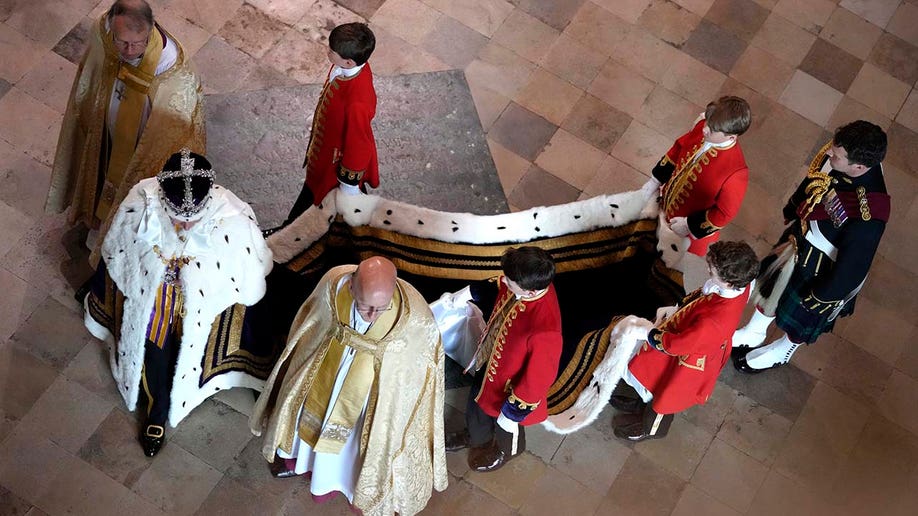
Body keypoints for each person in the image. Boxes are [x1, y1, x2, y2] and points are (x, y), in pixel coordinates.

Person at [83, 149, 272, 457]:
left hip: (201, 313)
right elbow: (117, 254)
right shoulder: (139, 203)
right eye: (176, 219)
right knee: (156, 353)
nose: (184, 227)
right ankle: (157, 412)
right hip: (155, 305)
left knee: (189, 355)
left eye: (192, 220)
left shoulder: (234, 218)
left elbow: (249, 275)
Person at [249, 257, 447, 516]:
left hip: (371, 395)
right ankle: (303, 463)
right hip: (327, 373)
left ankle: (353, 487)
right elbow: (310, 322)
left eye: (381, 308)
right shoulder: (333, 284)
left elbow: (422, 362)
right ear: (352, 287)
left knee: (356, 447)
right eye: (366, 307)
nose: (373, 315)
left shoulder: (416, 315)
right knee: (308, 418)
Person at [46, 0, 205, 266]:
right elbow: (91, 76)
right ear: (112, 31)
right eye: (123, 43)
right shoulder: (102, 34)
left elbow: (177, 122)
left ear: (151, 31)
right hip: (105, 130)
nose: (130, 51)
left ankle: (114, 244)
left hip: (139, 142)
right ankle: (92, 221)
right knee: (97, 170)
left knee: (126, 187)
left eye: (138, 43)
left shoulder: (171, 67)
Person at [732, 121, 890, 373]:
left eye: (836, 156)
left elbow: (852, 270)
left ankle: (781, 351)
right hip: (799, 238)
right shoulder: (842, 155)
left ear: (859, 166)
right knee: (770, 287)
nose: (829, 153)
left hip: (819, 270)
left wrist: (821, 299)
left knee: (800, 321)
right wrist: (793, 207)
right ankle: (754, 332)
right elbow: (816, 178)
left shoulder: (868, 217)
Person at [611, 241, 759, 441]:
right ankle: (638, 400)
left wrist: (648, 333)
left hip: (687, 359)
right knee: (652, 376)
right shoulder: (744, 282)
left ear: (729, 283)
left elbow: (674, 346)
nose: (707, 269)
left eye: (713, 270)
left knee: (667, 396)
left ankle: (650, 429)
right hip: (694, 337)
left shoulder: (713, 321)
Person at [446, 246, 563, 472]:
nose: (504, 282)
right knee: (478, 402)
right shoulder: (527, 284)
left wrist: (513, 412)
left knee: (506, 425)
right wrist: (469, 292)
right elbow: (499, 283)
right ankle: (476, 436)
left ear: (529, 292)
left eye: (510, 282)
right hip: (493, 363)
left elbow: (539, 378)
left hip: (511, 388)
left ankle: (508, 450)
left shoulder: (546, 331)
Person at [283, 22, 379, 223]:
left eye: (332, 51)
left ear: (349, 62)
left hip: (333, 166)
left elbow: (359, 144)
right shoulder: (346, 68)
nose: (328, 52)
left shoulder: (357, 103)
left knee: (316, 205)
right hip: (324, 157)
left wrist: (348, 185)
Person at [641, 96, 751, 257]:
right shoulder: (702, 127)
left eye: (712, 129)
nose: (705, 129)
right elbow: (678, 149)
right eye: (708, 122)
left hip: (687, 233)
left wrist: (689, 225)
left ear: (731, 137)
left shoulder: (736, 172)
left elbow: (724, 214)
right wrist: (655, 181)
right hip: (666, 206)